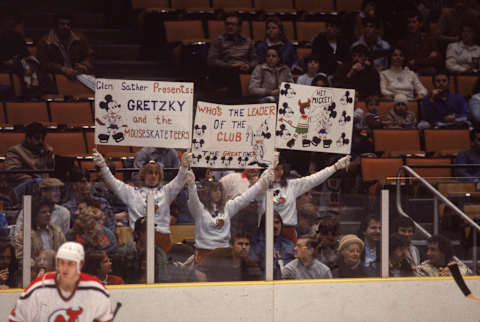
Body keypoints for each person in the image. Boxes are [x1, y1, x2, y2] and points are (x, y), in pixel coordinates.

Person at [93, 148, 192, 254]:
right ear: (143, 175)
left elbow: (179, 180)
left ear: (160, 176)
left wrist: (184, 166)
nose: (153, 176)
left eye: (156, 173)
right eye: (150, 173)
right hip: (140, 241)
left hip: (163, 240)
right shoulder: (131, 193)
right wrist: (103, 166)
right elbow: (113, 182)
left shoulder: (166, 192)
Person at [9, 242, 113, 322]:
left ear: (80, 264)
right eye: (61, 263)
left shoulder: (95, 288)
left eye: (71, 264)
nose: (65, 268)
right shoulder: (40, 287)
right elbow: (16, 318)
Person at [185, 168, 273, 262]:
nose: (218, 193)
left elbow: (245, 197)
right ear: (208, 192)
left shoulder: (227, 207)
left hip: (224, 254)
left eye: (220, 190)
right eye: (215, 190)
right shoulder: (199, 209)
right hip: (204, 253)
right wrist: (191, 186)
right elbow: (193, 200)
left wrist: (262, 181)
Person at [268, 154, 350, 244]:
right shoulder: (261, 187)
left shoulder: (291, 186)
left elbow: (313, 179)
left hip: (288, 235)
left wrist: (335, 167)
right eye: (275, 169)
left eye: (281, 169)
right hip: (267, 232)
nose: (279, 172)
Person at [207, 13, 257, 98]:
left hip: (244, 70)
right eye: (227, 24)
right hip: (225, 71)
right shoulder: (219, 40)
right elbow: (211, 60)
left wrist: (248, 65)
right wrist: (229, 66)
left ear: (240, 27)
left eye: (233, 24)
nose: (230, 27)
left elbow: (255, 60)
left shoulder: (248, 41)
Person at [4, 122, 55, 200]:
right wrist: (34, 181)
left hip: (43, 187)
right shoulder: (15, 151)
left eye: (43, 139)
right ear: (28, 138)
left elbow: (51, 171)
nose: (41, 141)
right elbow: (12, 173)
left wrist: (49, 156)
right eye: (37, 138)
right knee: (35, 184)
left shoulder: (44, 151)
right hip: (22, 188)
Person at [37, 12, 93, 79]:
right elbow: (44, 63)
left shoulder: (80, 39)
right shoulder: (45, 41)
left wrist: (84, 66)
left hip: (78, 76)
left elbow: (89, 56)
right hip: (55, 77)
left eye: (68, 24)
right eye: (62, 24)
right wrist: (62, 69)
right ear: (56, 25)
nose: (66, 27)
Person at [15, 178, 70, 243]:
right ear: (43, 192)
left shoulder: (64, 212)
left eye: (58, 190)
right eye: (54, 190)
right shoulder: (28, 210)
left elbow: (64, 238)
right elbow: (18, 235)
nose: (58, 193)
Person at [114, 217, 169, 283]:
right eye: (149, 232)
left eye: (154, 231)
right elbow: (117, 280)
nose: (153, 235)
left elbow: (163, 280)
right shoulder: (122, 253)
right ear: (137, 234)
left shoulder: (159, 254)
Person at [62, 167, 116, 234]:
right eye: (82, 182)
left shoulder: (102, 202)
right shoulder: (68, 208)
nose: (87, 184)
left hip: (103, 238)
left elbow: (111, 225)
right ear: (74, 185)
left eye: (89, 181)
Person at [195, 232, 262, 282]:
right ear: (231, 245)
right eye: (240, 244)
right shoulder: (218, 254)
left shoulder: (251, 264)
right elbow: (199, 271)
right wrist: (208, 288)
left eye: (247, 244)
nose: (244, 247)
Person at [15, 197, 66, 263]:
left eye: (49, 212)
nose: (48, 214)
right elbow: (21, 258)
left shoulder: (57, 231)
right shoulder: (24, 234)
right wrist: (37, 264)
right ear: (35, 215)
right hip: (34, 271)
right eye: (44, 212)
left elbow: (64, 252)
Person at [249, 212, 295, 279]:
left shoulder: (288, 245)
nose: (275, 226)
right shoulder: (255, 246)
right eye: (271, 223)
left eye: (277, 222)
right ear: (263, 225)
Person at [397, 11, 443, 75]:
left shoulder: (430, 40)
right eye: (409, 22)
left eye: (414, 22)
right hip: (408, 73)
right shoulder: (402, 43)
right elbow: (405, 63)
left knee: (432, 70)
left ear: (420, 24)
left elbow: (437, 61)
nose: (411, 25)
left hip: (425, 72)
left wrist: (416, 61)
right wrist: (426, 60)